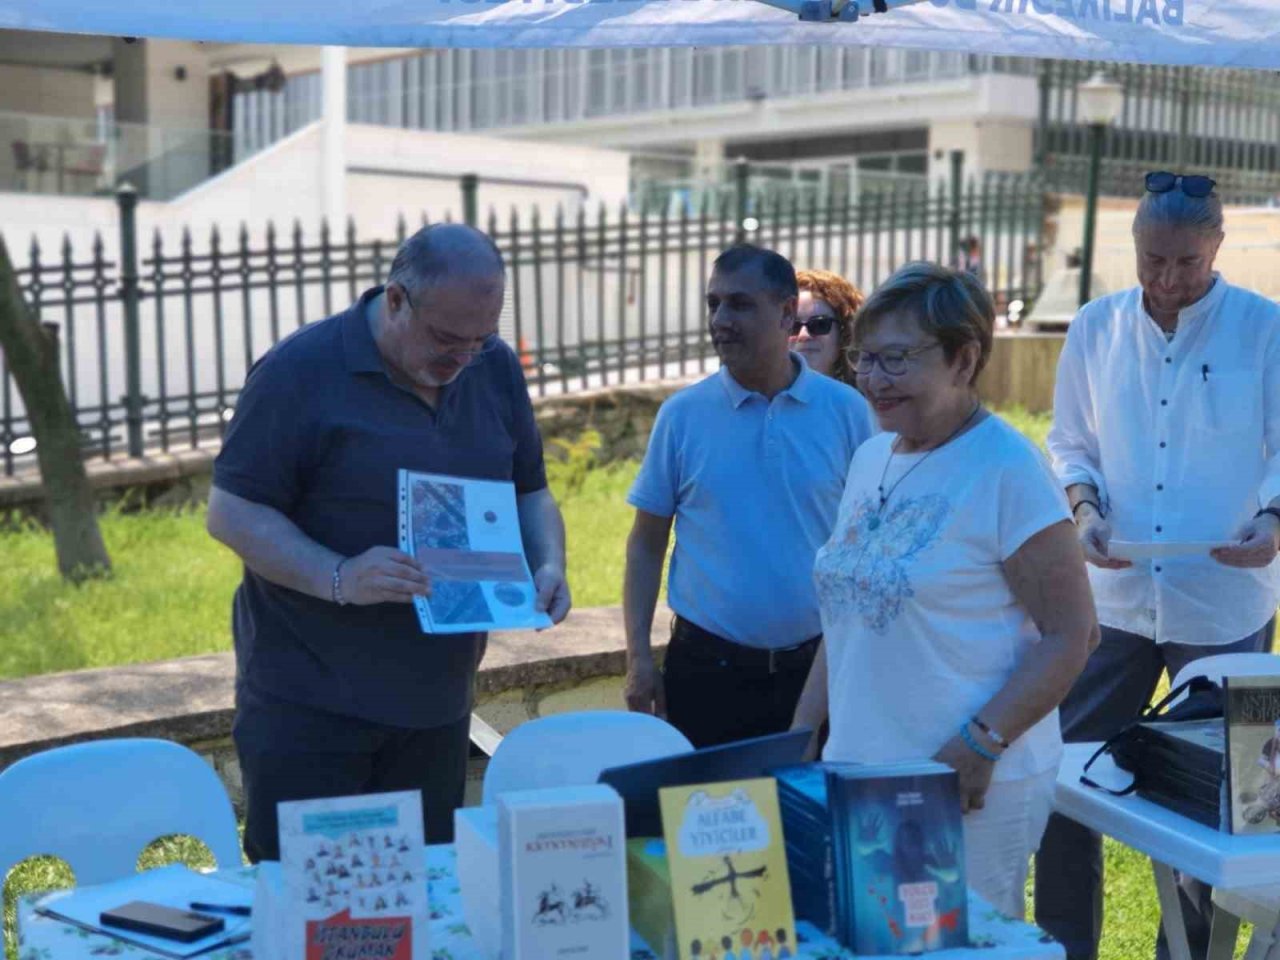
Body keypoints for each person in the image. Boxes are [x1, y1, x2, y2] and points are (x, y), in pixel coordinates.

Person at [207, 223, 571, 862]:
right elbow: (231, 513)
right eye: (446, 339)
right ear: (396, 300)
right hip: (310, 710)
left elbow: (529, 493)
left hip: (437, 706)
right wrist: (339, 575)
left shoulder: (493, 369)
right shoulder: (300, 371)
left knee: (416, 904)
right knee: (310, 914)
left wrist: (547, 562)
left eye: (480, 340)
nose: (462, 358)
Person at [793, 261, 1098, 917]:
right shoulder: (874, 454)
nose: (873, 380)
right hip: (863, 772)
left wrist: (980, 744)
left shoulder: (1007, 469)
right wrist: (801, 732)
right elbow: (849, 608)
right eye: (864, 358)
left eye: (896, 360)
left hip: (966, 783)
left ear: (964, 359)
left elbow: (1074, 634)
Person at [1035, 172, 1280, 960]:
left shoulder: (1264, 329)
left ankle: (1191, 952)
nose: (1168, 280)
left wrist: (1273, 520)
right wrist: (1084, 508)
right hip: (1111, 595)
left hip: (1227, 599)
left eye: (1185, 262)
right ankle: (1065, 946)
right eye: (1151, 261)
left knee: (1221, 799)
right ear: (1132, 247)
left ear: (1217, 249)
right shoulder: (1094, 326)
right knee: (1065, 778)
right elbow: (1071, 440)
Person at [623, 244, 875, 748]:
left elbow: (871, 541)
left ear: (786, 314)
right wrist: (638, 660)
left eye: (739, 304)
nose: (720, 319)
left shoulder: (848, 412)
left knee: (811, 821)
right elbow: (647, 543)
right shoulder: (682, 417)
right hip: (706, 676)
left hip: (821, 673)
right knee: (706, 821)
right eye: (713, 304)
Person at [792, 268, 864, 386]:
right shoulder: (757, 399)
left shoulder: (863, 401)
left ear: (845, 332)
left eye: (819, 324)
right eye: (793, 326)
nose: (803, 335)